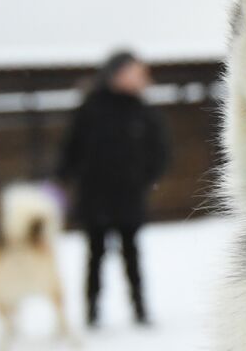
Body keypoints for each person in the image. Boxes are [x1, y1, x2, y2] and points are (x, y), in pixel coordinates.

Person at [57, 50, 170, 328]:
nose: (142, 78)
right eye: (136, 71)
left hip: (129, 197)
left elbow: (160, 152)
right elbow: (71, 149)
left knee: (131, 254)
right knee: (95, 256)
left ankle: (140, 310)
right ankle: (92, 313)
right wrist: (61, 178)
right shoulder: (91, 107)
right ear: (116, 73)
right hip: (95, 196)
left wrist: (143, 177)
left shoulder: (143, 111)